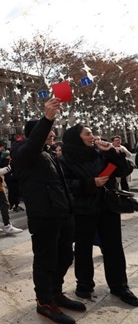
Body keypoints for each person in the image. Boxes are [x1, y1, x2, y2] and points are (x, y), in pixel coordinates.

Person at [10, 97, 85, 324]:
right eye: (48, 134)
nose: (52, 137)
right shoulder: (22, 152)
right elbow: (32, 146)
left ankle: (55, 293)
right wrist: (47, 117)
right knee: (46, 261)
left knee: (65, 257)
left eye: (52, 134)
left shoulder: (50, 154)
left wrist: (70, 210)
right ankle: (44, 302)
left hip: (62, 215)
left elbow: (60, 184)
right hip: (43, 217)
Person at [59, 125, 138, 307]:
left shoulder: (100, 153)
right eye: (87, 134)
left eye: (92, 133)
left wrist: (111, 152)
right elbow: (65, 186)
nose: (92, 137)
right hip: (83, 210)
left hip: (107, 207)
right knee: (83, 248)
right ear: (76, 138)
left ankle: (120, 286)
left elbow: (124, 170)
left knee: (113, 247)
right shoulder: (65, 160)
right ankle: (84, 284)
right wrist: (89, 183)